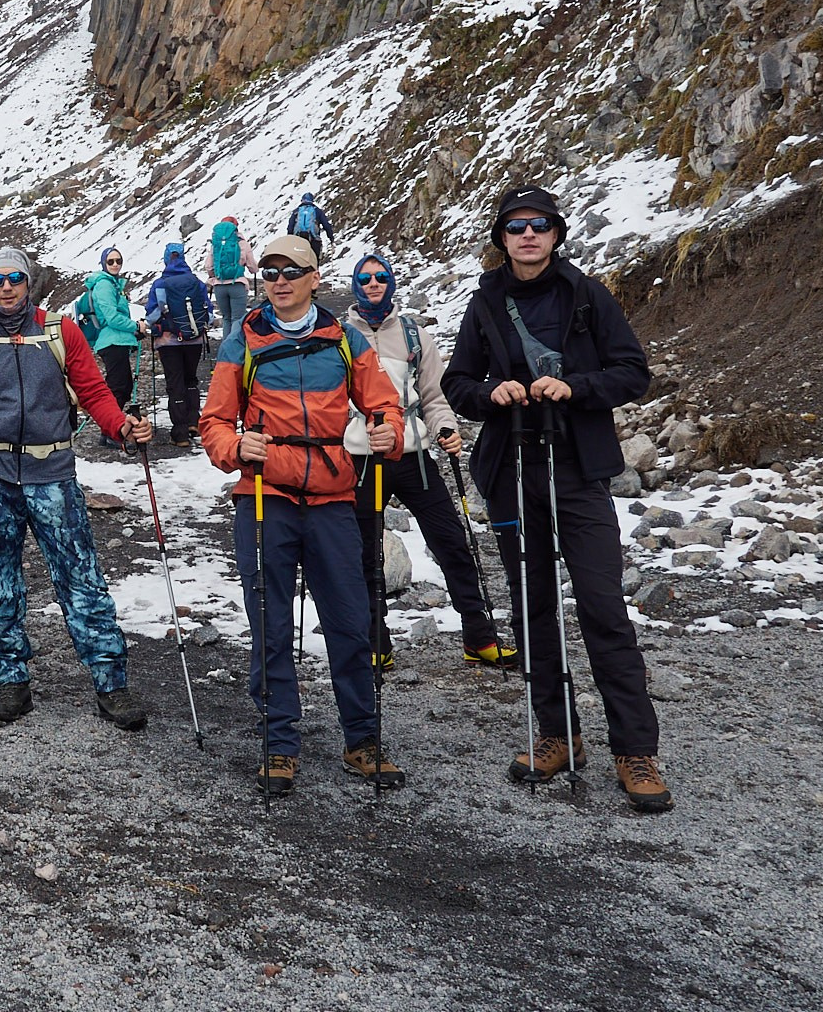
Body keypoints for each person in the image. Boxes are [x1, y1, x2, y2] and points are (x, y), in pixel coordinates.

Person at [441, 187, 672, 813]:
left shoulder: (587, 294)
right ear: (502, 238)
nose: (528, 235)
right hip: (514, 470)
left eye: (540, 225)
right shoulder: (485, 302)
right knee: (532, 604)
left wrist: (574, 386)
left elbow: (632, 371)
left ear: (556, 233)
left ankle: (634, 749)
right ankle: (557, 734)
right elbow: (456, 384)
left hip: (577, 471)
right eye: (515, 226)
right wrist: (494, 392)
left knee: (603, 605)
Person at [0, 248, 153, 729]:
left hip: (52, 473)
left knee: (80, 580)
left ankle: (111, 683)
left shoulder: (61, 332)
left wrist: (121, 427)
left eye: (15, 278)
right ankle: (11, 679)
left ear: (28, 282)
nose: (6, 287)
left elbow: (95, 392)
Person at [199, 234, 403, 796]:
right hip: (265, 495)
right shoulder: (240, 341)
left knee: (350, 618)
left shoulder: (344, 339)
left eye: (293, 270)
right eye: (269, 271)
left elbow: (383, 402)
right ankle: (279, 743)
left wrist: (389, 430)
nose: (280, 280)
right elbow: (215, 421)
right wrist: (235, 449)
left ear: (316, 277)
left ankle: (362, 739)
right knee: (271, 622)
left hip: (335, 497)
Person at [342, 251, 514, 669]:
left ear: (392, 282)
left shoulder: (415, 336)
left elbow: (434, 396)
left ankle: (478, 634)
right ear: (354, 286)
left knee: (452, 542)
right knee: (365, 553)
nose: (373, 284)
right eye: (364, 279)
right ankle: (375, 640)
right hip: (361, 459)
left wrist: (445, 429)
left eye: (380, 277)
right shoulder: (340, 337)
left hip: (414, 455)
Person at [143, 241, 212, 448]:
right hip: (195, 339)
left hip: (168, 341)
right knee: (191, 379)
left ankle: (180, 433)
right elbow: (207, 312)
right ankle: (194, 422)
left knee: (175, 384)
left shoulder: (160, 284)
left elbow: (153, 314)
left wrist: (150, 325)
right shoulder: (195, 281)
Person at [74, 245, 139, 442]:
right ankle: (110, 431)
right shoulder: (104, 285)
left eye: (118, 261)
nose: (115, 264)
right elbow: (111, 318)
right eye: (110, 261)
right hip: (112, 341)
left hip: (115, 341)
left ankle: (109, 429)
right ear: (103, 263)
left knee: (121, 385)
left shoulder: (112, 284)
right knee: (119, 387)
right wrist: (136, 326)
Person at [206, 217, 255, 331]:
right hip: (237, 284)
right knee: (237, 319)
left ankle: (226, 347)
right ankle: (236, 347)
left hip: (219, 285)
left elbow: (209, 265)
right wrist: (254, 270)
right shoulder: (242, 243)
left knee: (226, 318)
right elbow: (252, 266)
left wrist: (214, 275)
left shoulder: (216, 244)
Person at [287, 193, 335, 258]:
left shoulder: (297, 211)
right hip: (313, 240)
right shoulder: (317, 211)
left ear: (302, 200)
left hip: (298, 240)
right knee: (314, 261)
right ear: (312, 201)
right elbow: (326, 225)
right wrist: (331, 238)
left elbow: (290, 226)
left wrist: (290, 239)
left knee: (298, 260)